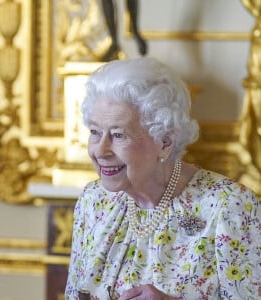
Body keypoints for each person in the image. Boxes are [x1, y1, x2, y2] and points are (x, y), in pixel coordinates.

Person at [65, 57, 261, 299]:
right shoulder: (93, 202)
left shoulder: (230, 207)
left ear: (165, 142)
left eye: (118, 135)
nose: (101, 150)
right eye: (95, 132)